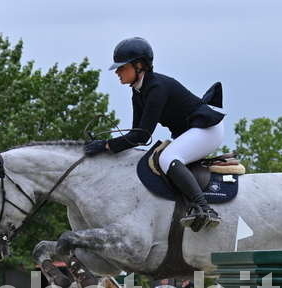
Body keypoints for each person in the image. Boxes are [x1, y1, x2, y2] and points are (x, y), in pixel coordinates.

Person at [84, 37, 225, 232]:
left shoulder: (157, 88)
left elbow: (142, 137)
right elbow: (136, 133)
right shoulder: (138, 91)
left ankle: (204, 208)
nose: (117, 72)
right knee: (161, 157)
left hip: (207, 129)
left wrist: (106, 145)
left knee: (168, 158)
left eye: (122, 67)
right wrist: (106, 145)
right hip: (193, 131)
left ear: (139, 66)